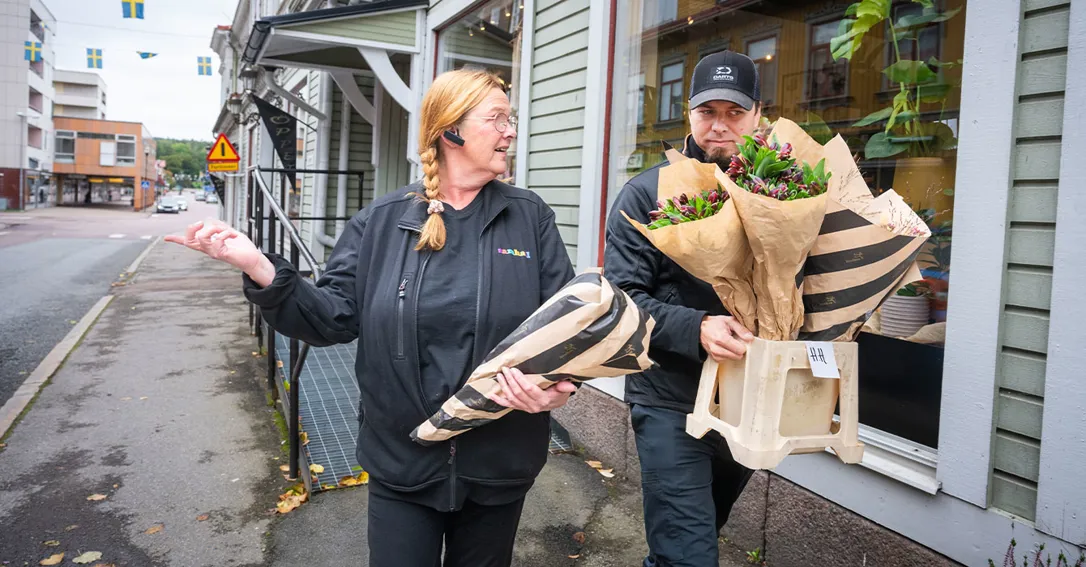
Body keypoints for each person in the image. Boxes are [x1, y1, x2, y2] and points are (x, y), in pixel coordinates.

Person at [166, 69, 577, 567]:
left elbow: (566, 324)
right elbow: (331, 318)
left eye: (509, 120)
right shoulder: (382, 221)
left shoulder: (529, 217)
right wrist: (259, 266)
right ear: (451, 132)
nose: (510, 131)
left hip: (501, 459)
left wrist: (560, 385)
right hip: (402, 459)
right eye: (496, 119)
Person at [604, 50, 763, 567]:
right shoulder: (646, 193)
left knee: (693, 536)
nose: (719, 126)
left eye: (733, 113)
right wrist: (697, 327)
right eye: (706, 112)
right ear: (689, 115)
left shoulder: (782, 191)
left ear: (757, 114)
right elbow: (622, 298)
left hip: (746, 399)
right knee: (689, 555)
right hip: (669, 397)